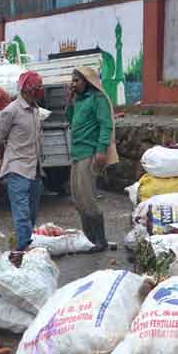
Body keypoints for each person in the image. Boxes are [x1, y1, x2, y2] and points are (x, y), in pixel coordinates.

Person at [65, 67, 118, 253]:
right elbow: (71, 121)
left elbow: (106, 125)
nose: (73, 84)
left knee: (88, 198)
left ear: (87, 81)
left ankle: (100, 240)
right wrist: (70, 102)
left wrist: (101, 150)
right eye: (72, 80)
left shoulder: (97, 99)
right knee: (78, 198)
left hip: (89, 153)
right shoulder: (79, 100)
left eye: (76, 80)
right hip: (77, 154)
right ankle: (89, 239)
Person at [0, 70, 45, 259]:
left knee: (32, 214)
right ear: (28, 89)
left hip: (35, 169)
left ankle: (22, 244)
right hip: (17, 169)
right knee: (22, 213)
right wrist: (1, 160)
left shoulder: (36, 110)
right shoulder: (11, 111)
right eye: (37, 87)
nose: (40, 90)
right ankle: (22, 251)